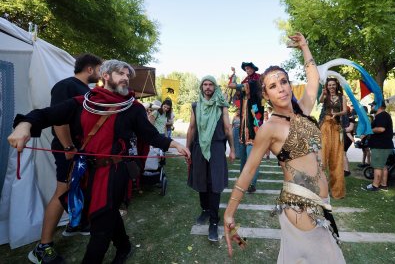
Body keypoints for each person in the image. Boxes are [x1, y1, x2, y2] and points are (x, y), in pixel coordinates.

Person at [8, 59, 190, 263]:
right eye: (121, 73)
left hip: (115, 172)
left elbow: (150, 135)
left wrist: (175, 144)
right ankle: (124, 246)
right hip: (85, 170)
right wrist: (24, 125)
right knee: (104, 213)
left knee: (100, 225)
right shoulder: (83, 102)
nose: (126, 78)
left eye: (128, 75)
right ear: (105, 75)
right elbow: (47, 114)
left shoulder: (133, 107)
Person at [223, 32, 345, 263]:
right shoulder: (270, 128)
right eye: (272, 86)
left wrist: (305, 47)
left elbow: (313, 81)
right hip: (300, 206)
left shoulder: (304, 111)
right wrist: (229, 212)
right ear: (266, 95)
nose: (280, 88)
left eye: (283, 81)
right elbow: (248, 171)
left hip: (321, 204)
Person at [26, 53, 102, 264]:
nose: (100, 73)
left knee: (76, 187)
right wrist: (68, 146)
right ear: (90, 68)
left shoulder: (86, 90)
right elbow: (58, 118)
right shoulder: (66, 86)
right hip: (67, 148)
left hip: (80, 149)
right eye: (99, 69)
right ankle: (43, 247)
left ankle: (74, 224)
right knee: (63, 190)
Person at [187, 75, 236, 242]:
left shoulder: (222, 106)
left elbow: (228, 129)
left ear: (215, 87)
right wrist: (187, 149)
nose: (207, 87)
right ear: (201, 87)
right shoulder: (195, 106)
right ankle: (205, 209)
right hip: (198, 147)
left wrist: (232, 150)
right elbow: (192, 128)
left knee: (214, 184)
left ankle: (214, 222)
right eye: (205, 84)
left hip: (216, 147)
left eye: (210, 84)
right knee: (201, 180)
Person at [227, 62, 264, 193]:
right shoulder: (246, 81)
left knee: (252, 156)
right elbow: (234, 90)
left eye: (249, 68)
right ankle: (243, 181)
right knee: (243, 156)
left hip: (254, 123)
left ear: (254, 69)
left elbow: (234, 86)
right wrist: (234, 75)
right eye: (246, 68)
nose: (247, 70)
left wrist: (234, 80)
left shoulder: (257, 80)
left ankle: (252, 183)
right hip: (243, 125)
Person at [318, 77, 348, 199]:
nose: (331, 87)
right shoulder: (325, 95)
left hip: (336, 127)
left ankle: (336, 190)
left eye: (333, 85)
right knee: (322, 157)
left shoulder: (342, 97)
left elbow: (345, 111)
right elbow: (320, 101)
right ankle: (319, 188)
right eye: (329, 85)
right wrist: (322, 93)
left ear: (336, 86)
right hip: (325, 127)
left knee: (336, 158)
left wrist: (338, 114)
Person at [365, 100, 393, 191]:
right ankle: (383, 185)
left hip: (380, 147)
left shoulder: (382, 116)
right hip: (384, 146)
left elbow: (381, 129)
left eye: (372, 105)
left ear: (379, 106)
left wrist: (370, 130)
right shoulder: (382, 116)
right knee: (383, 166)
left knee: (377, 166)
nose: (371, 107)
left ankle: (375, 185)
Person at [343, 106, 356, 177]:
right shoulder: (350, 117)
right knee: (343, 154)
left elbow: (350, 129)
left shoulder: (350, 118)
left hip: (346, 138)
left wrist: (341, 130)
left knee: (343, 154)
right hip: (347, 138)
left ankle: (346, 170)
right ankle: (345, 169)